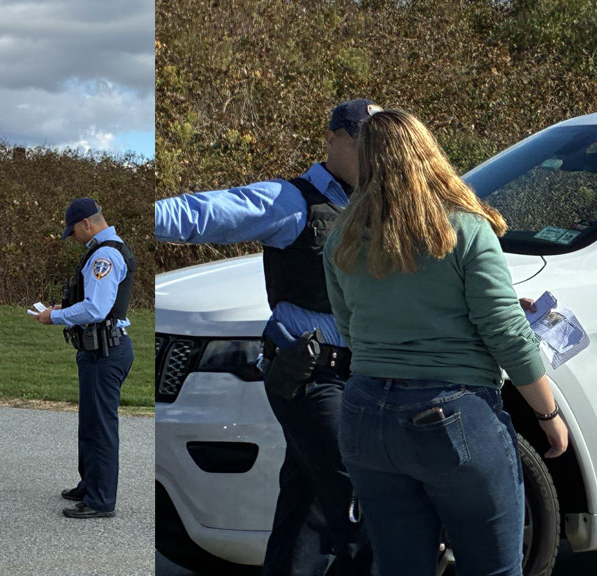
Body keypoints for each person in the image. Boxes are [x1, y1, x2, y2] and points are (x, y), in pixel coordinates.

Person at [322, 109, 569, 576]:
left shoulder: (343, 238)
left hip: (364, 412)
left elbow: (352, 328)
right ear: (428, 153)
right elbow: (506, 332)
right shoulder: (465, 229)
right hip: (451, 412)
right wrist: (547, 414)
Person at [155, 100, 380, 575]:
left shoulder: (377, 203)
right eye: (362, 140)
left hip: (354, 378)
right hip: (309, 377)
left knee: (306, 514)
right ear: (332, 139)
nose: (372, 153)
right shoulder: (291, 201)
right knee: (364, 504)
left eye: (379, 142)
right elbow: (204, 213)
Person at [36, 198, 135, 519]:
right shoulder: (107, 249)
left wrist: (55, 316)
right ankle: (90, 484)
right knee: (90, 423)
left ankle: (101, 500)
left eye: (73, 231)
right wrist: (64, 309)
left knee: (100, 428)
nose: (73, 237)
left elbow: (96, 308)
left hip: (105, 351)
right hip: (100, 348)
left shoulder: (104, 255)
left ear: (86, 224)